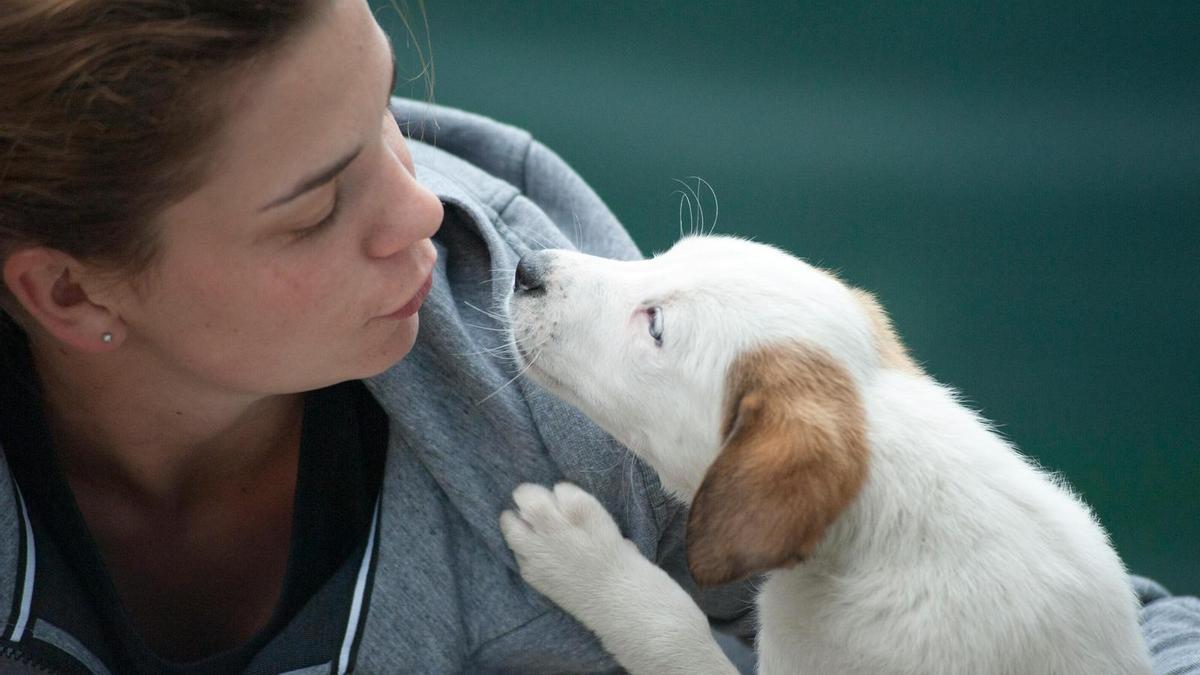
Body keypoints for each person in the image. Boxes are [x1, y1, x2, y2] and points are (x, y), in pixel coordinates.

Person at [0, 1, 1194, 674]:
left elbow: (1086, 632)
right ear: (66, 294)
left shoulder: (566, 403)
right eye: (318, 206)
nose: (426, 208)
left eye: (385, 116)